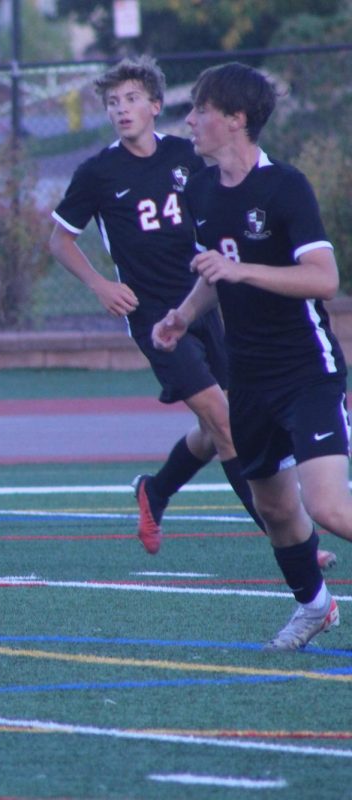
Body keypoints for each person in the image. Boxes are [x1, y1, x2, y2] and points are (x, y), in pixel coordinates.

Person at [48, 56, 337, 571]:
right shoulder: (98, 171)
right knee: (225, 421)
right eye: (113, 102)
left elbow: (233, 209)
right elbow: (59, 239)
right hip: (155, 315)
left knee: (225, 423)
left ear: (157, 106)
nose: (122, 109)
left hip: (209, 303)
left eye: (132, 99)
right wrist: (100, 285)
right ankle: (299, 548)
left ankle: (155, 489)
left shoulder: (190, 158)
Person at [152, 63, 349, 650]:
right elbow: (216, 268)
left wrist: (242, 271)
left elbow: (324, 279)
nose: (188, 120)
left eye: (200, 110)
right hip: (249, 379)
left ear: (236, 119)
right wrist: (184, 315)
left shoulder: (285, 186)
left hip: (308, 372)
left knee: (329, 508)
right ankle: (314, 606)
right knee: (276, 511)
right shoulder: (201, 189)